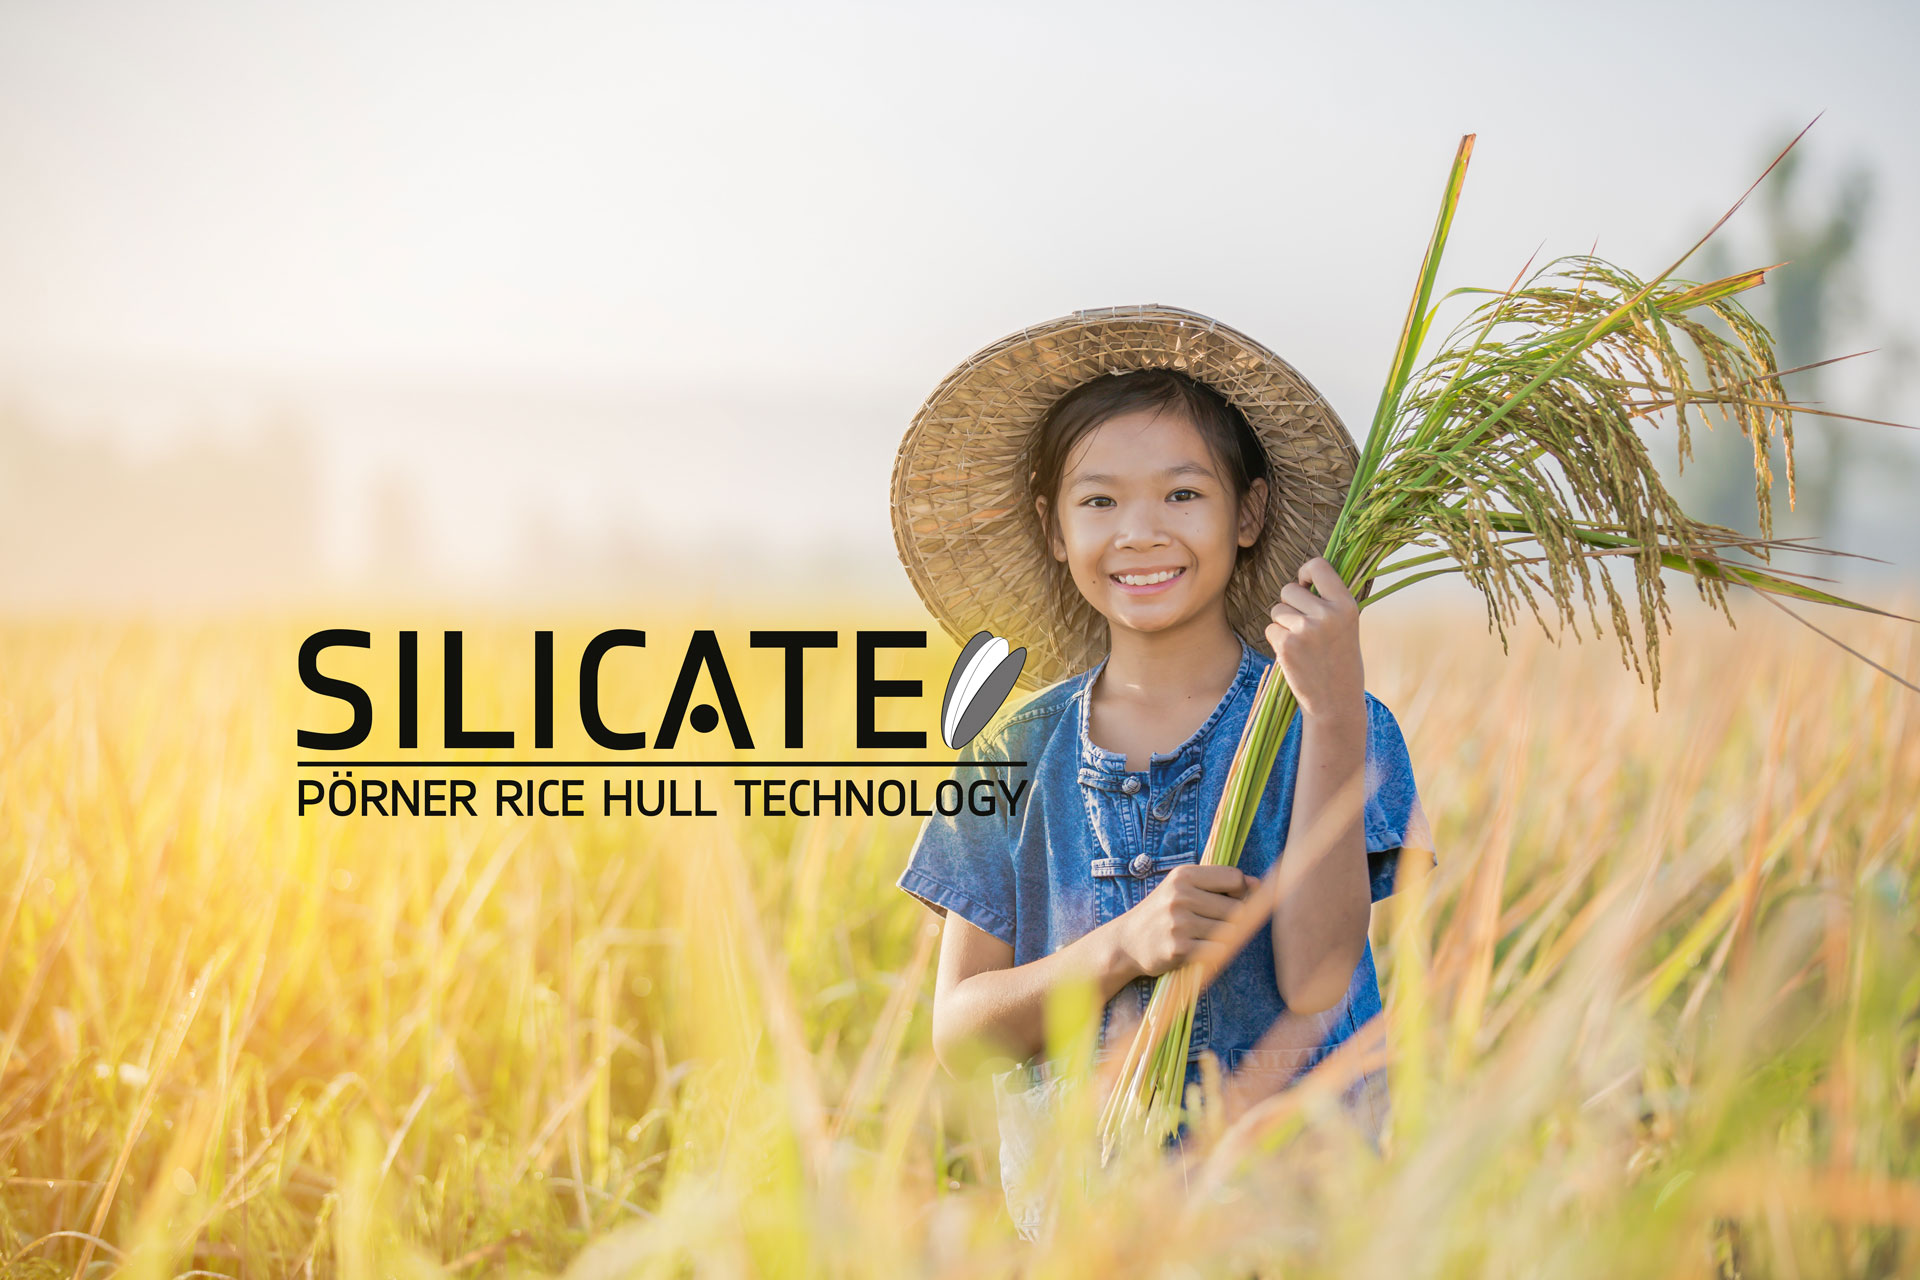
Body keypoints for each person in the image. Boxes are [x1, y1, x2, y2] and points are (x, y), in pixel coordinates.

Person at [888, 305, 1437, 1241]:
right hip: (1094, 1233)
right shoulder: (1010, 755)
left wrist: (1335, 712)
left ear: (1249, 513)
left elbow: (1316, 983)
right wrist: (1124, 948)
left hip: (1299, 1225)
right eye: (1099, 502)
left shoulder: (1335, 726)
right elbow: (960, 1035)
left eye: (1183, 495)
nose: (1140, 533)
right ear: (1053, 528)